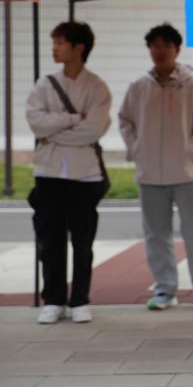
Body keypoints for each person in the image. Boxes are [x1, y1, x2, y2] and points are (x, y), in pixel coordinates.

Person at [118, 23, 193, 311]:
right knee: (156, 234)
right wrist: (136, 149)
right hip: (149, 172)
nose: (160, 52)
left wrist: (191, 150)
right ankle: (164, 289)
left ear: (177, 50)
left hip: (187, 172)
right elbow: (125, 120)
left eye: (166, 46)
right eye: (155, 46)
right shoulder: (138, 86)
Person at [26, 21, 112, 324]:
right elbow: (36, 123)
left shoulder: (97, 87)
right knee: (49, 240)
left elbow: (94, 130)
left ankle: (80, 299)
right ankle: (53, 299)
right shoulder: (44, 84)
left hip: (84, 174)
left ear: (79, 48)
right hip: (48, 172)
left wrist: (54, 132)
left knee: (82, 242)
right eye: (54, 42)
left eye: (61, 42)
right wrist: (74, 118)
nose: (55, 48)